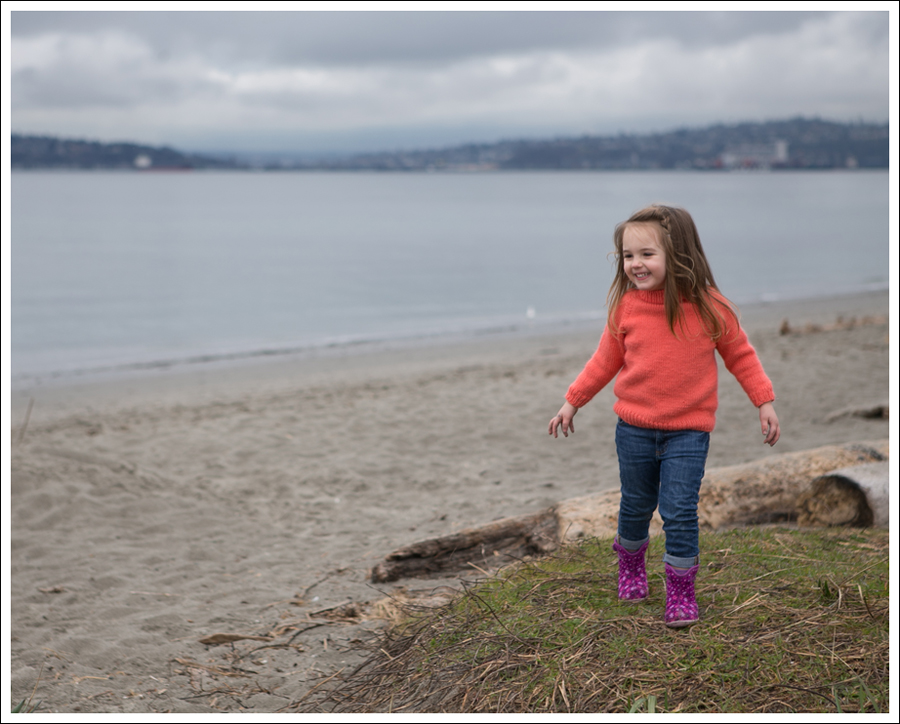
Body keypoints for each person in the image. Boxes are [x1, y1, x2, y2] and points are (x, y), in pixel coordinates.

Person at [548, 204, 780, 628]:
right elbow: (604, 361)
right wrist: (573, 400)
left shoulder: (711, 307)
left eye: (646, 254)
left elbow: (741, 356)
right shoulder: (627, 308)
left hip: (689, 432)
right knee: (636, 505)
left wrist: (763, 401)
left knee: (679, 510)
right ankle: (631, 565)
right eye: (628, 256)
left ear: (680, 253)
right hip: (633, 429)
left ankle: (680, 592)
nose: (635, 264)